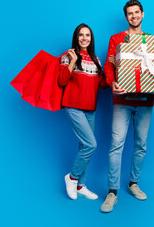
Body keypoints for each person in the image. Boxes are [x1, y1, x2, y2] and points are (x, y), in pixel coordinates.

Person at [100, 0, 154, 213]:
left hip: (146, 100)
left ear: (142, 14)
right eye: (130, 14)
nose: (133, 16)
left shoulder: (152, 39)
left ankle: (133, 184)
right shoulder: (117, 39)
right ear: (126, 17)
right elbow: (110, 64)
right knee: (116, 144)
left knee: (141, 145)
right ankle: (112, 191)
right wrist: (112, 83)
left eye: (136, 13)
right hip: (122, 100)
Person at [58, 23, 107, 200]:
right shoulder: (68, 55)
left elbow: (101, 84)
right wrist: (72, 60)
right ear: (76, 37)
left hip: (90, 109)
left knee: (84, 146)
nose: (84, 38)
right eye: (81, 35)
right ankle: (71, 177)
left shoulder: (95, 60)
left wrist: (114, 68)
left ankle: (81, 186)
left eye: (87, 35)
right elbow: (62, 81)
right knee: (90, 145)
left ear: (91, 38)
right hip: (73, 106)